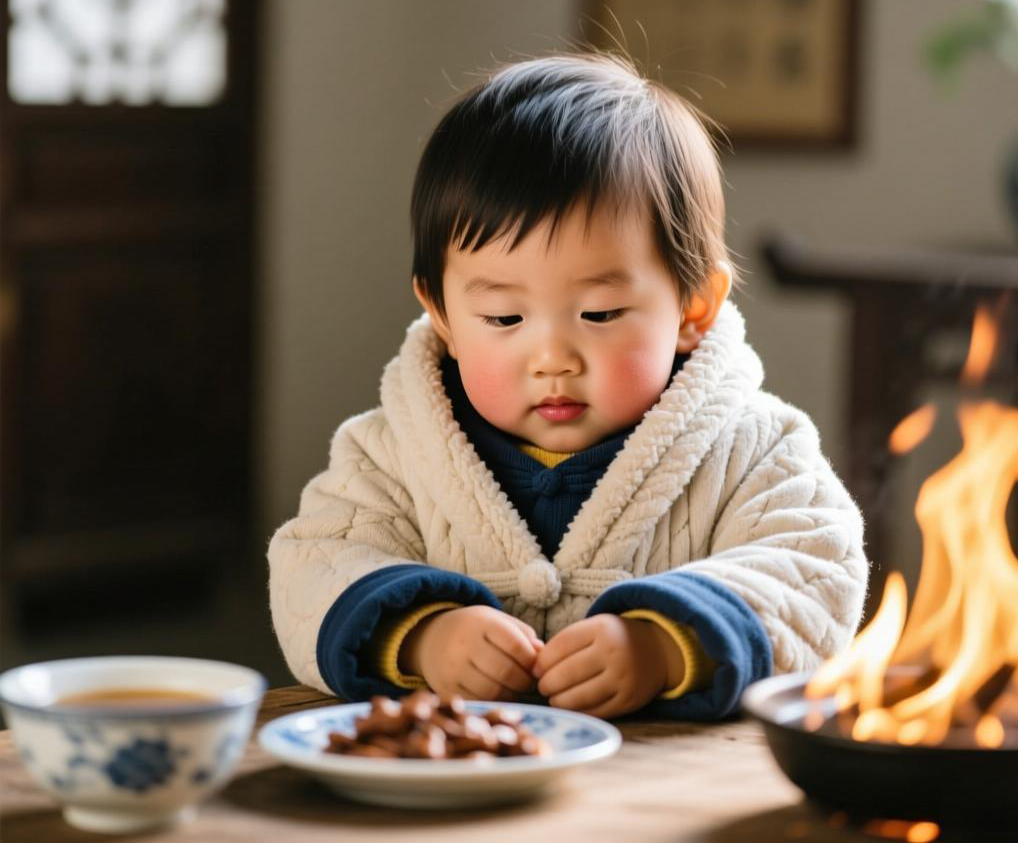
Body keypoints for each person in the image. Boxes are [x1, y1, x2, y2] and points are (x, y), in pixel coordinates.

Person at [268, 52, 867, 720]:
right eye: (503, 318)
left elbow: (820, 573)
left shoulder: (756, 449)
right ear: (442, 314)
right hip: (455, 797)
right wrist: (422, 638)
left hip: (671, 797)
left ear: (693, 307)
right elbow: (308, 569)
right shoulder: (388, 454)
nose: (552, 357)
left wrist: (662, 646)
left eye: (600, 314)